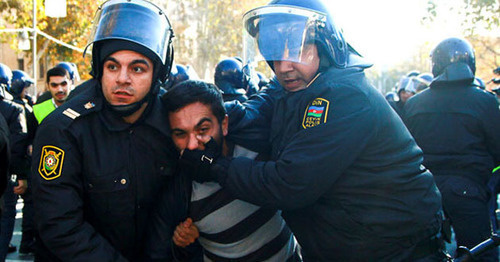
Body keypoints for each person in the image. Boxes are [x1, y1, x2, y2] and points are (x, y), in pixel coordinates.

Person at [181, 0, 445, 261]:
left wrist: (214, 166)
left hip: (394, 249)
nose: (284, 66)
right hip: (347, 245)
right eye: (274, 53)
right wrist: (215, 114)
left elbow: (289, 182)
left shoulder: (346, 96)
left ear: (326, 46)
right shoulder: (298, 83)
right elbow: (258, 109)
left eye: (299, 49)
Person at [30, 0, 176, 260]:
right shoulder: (64, 129)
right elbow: (60, 225)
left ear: (157, 74)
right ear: (99, 69)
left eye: (137, 68)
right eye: (112, 66)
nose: (122, 78)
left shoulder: (171, 123)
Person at [146, 80, 301, 261]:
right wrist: (184, 243)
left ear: (224, 124)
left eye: (203, 129)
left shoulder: (256, 144)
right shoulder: (178, 191)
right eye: (180, 134)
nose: (193, 144)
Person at [404, 37, 500, 261]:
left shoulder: (415, 104)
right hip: (468, 190)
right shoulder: (484, 101)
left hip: (423, 189)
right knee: (481, 252)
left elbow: (404, 149)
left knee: (422, 253)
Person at [0, 63, 29, 259]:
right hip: (6, 179)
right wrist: (21, 176)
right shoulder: (14, 109)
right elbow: (17, 147)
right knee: (4, 222)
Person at [10, 69, 38, 254]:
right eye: (24, 88)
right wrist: (21, 175)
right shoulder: (18, 108)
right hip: (18, 167)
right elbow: (19, 143)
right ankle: (26, 243)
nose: (26, 92)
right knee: (29, 204)